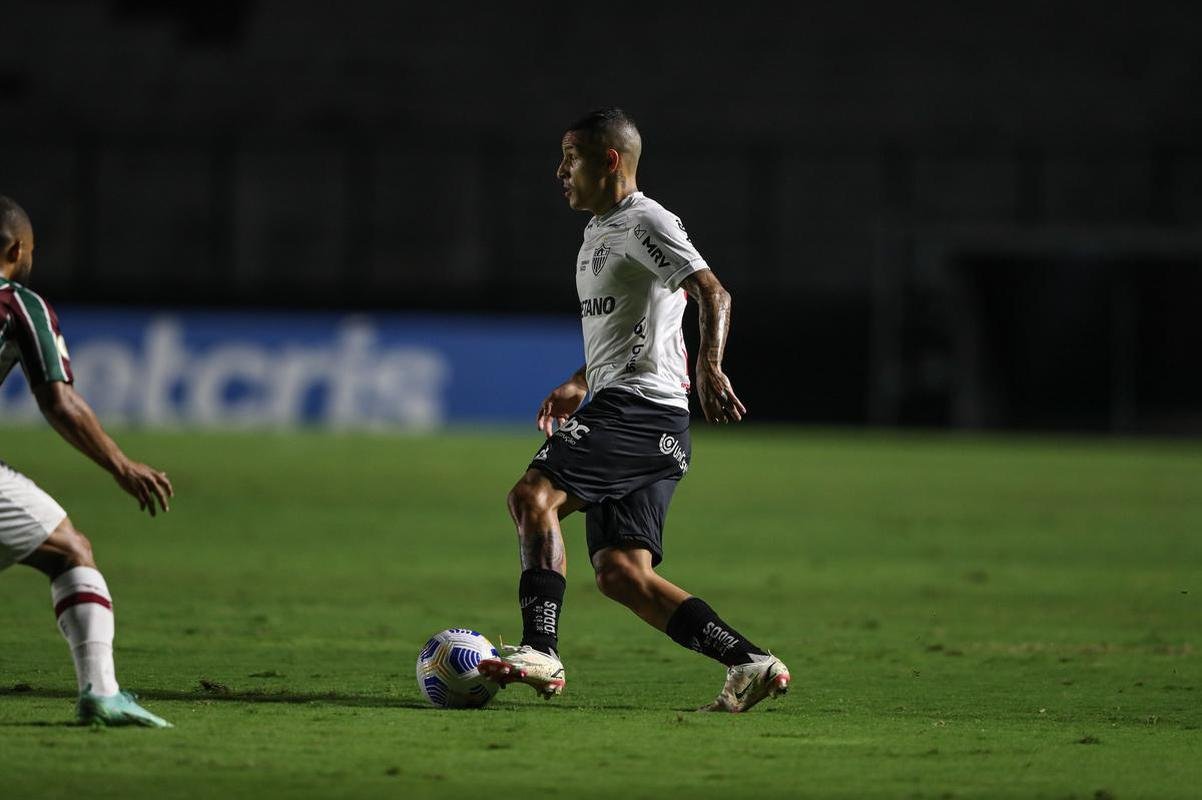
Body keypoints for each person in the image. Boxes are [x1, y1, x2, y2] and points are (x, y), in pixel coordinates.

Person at [479, 109, 789, 712]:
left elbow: (712, 291)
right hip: (647, 417)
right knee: (622, 573)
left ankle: (540, 650)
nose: (560, 171)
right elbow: (628, 329)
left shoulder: (645, 220)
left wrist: (710, 365)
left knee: (532, 497)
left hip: (639, 411)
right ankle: (750, 662)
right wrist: (581, 380)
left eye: (571, 157)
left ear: (610, 161)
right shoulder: (599, 232)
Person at [0, 195, 174, 727]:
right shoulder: (18, 304)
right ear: (17, 249)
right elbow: (60, 402)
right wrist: (121, 465)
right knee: (70, 551)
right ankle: (101, 692)